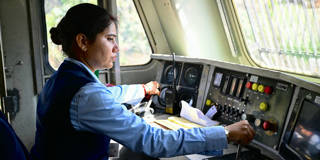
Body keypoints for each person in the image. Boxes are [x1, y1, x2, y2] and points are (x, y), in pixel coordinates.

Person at [30, 3, 255, 160]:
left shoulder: (61, 79)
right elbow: (153, 141)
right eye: (110, 39)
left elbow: (111, 94)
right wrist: (225, 133)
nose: (116, 48)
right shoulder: (87, 95)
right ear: (83, 41)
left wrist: (143, 89)